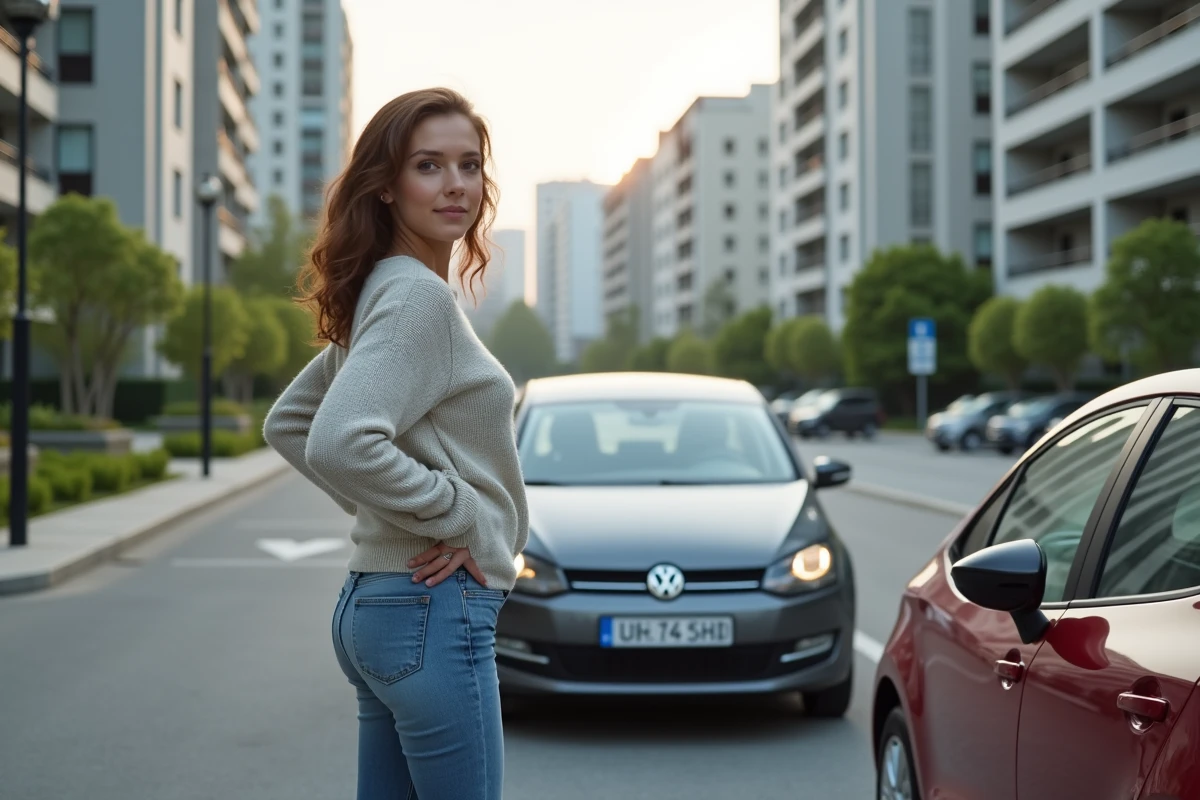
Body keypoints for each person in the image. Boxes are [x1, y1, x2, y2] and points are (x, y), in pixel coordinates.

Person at [262, 87, 529, 800]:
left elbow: (291, 424)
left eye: (469, 165)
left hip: (379, 607)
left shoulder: (386, 288)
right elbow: (338, 442)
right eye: (429, 165)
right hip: (431, 613)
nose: (455, 185)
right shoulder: (416, 298)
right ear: (385, 187)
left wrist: (392, 517)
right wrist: (457, 515)